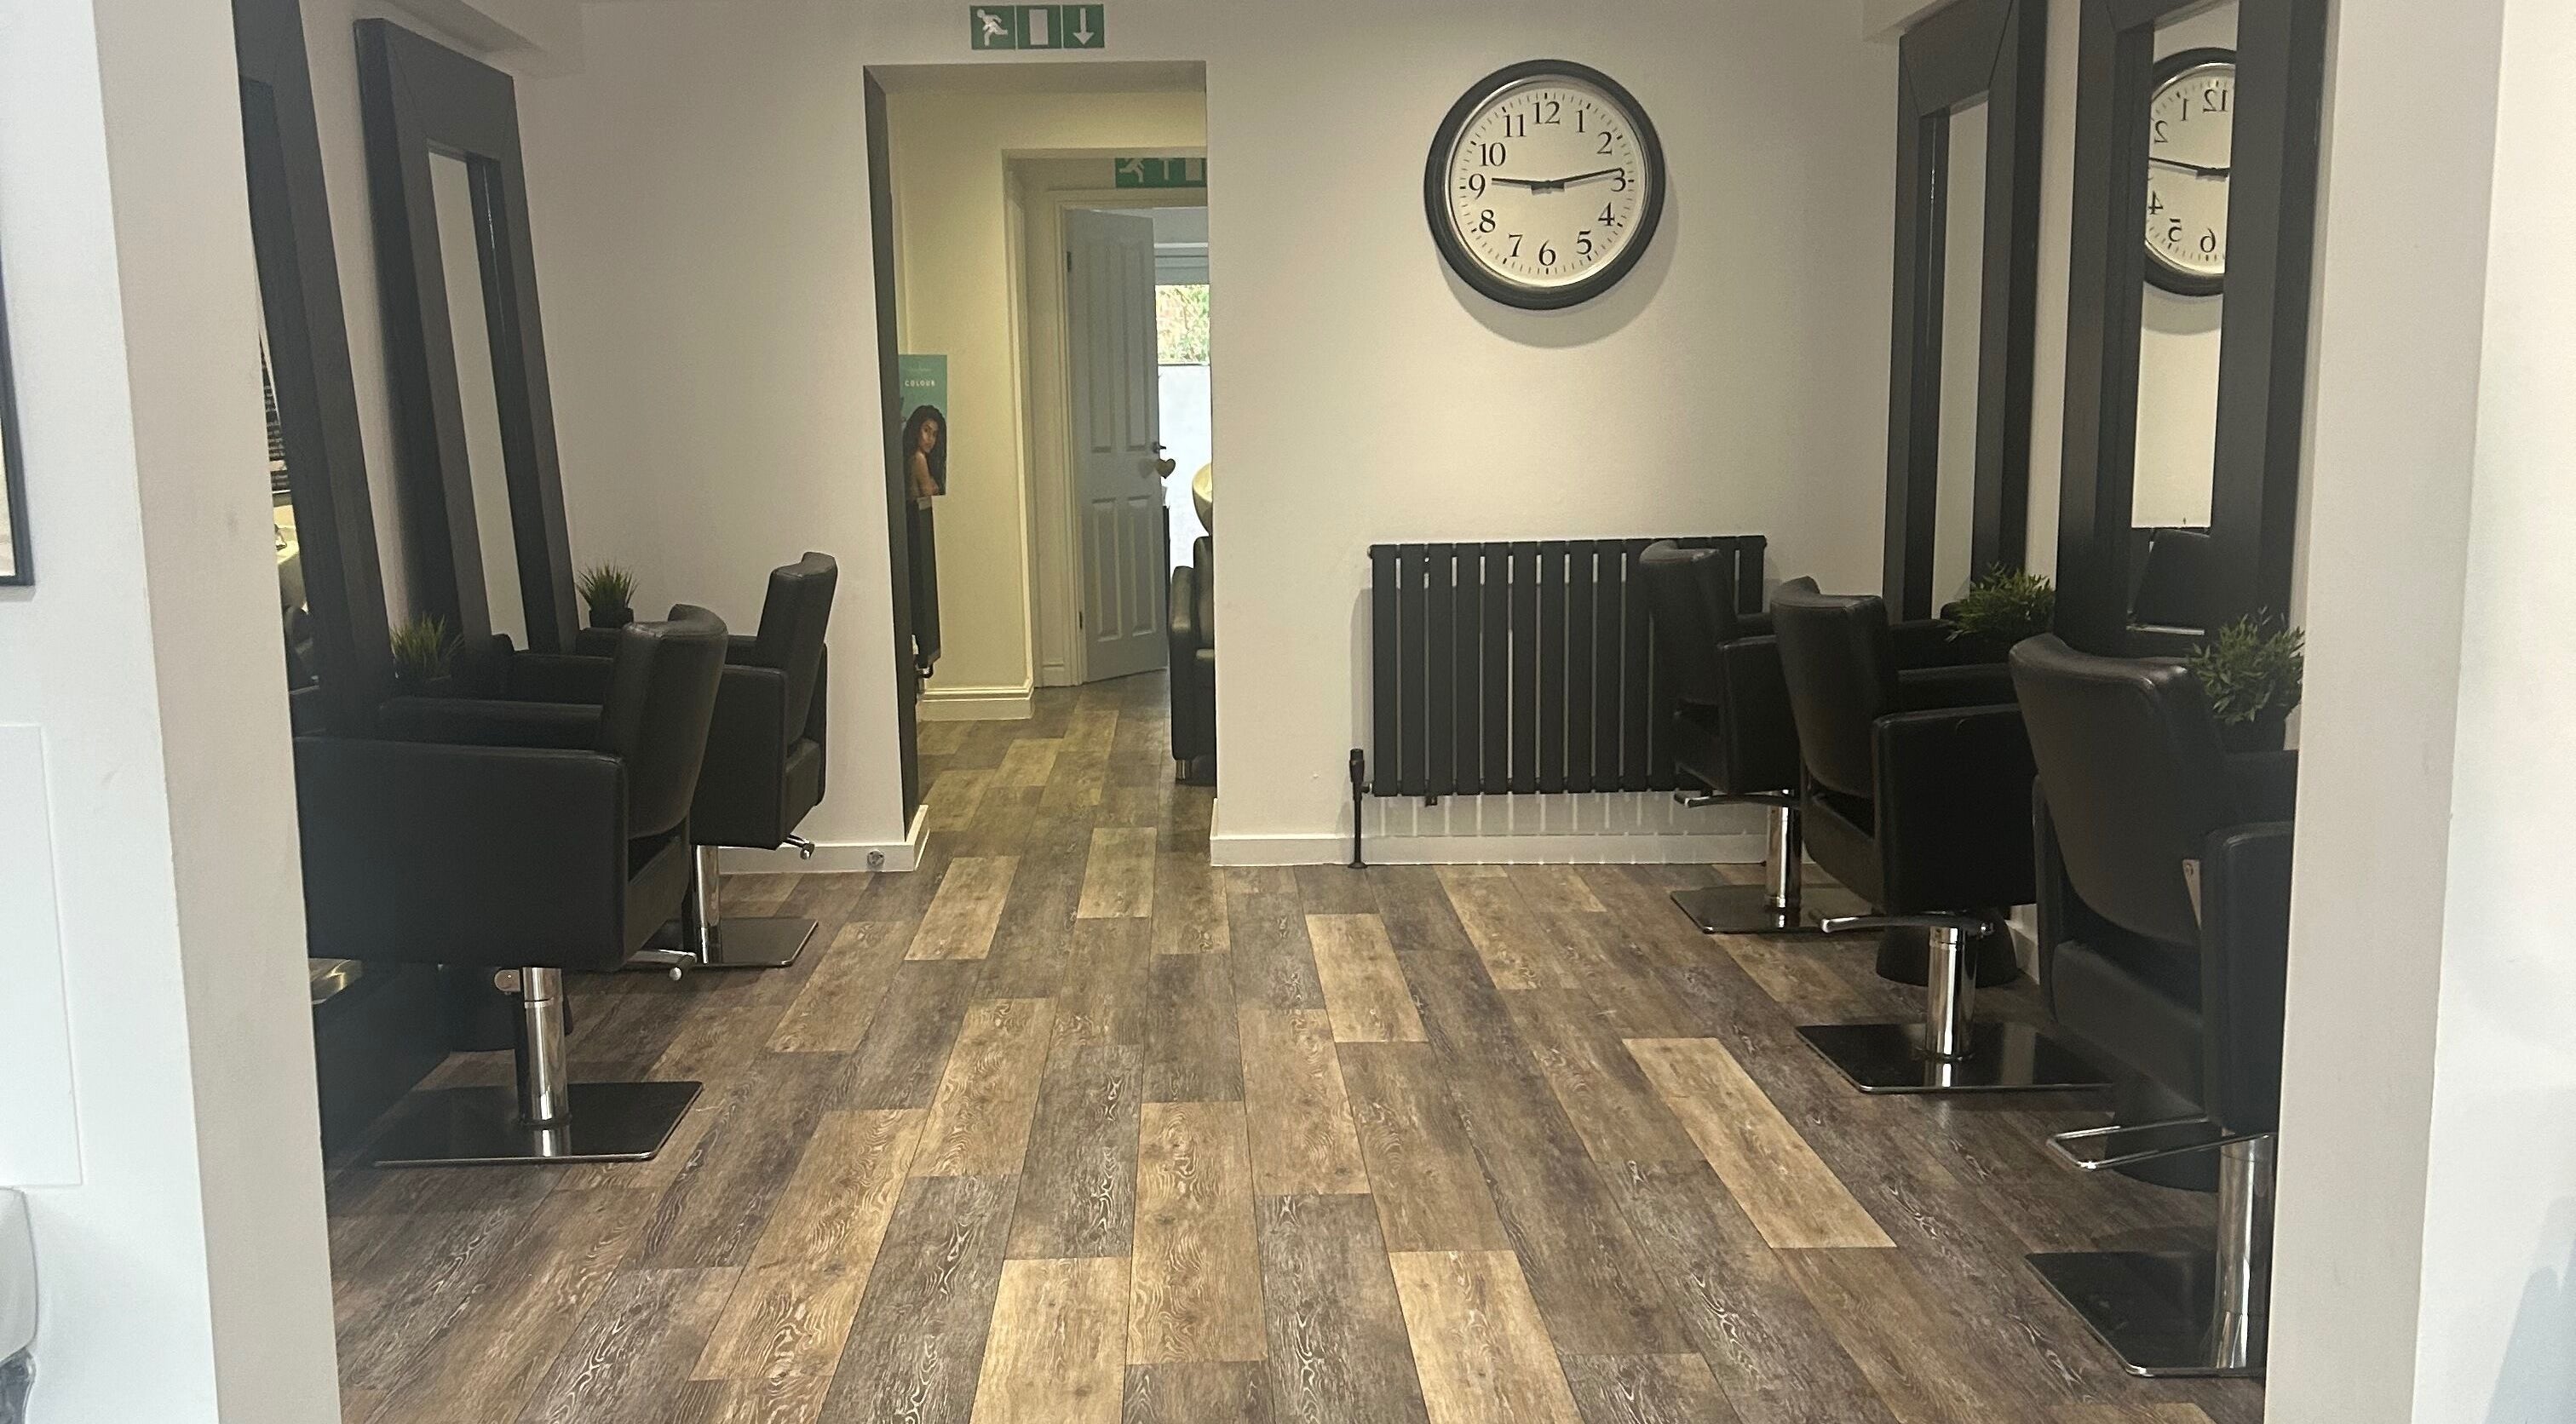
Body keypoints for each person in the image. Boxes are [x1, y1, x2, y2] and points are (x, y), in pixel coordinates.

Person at [902, 405, 946, 504]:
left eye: (934, 434)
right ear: (916, 429)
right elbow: (930, 500)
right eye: (926, 430)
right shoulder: (919, 458)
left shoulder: (915, 457)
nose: (930, 439)